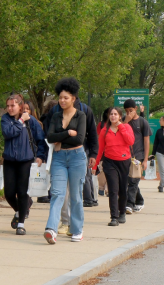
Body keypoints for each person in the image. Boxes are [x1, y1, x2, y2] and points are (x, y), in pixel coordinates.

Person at [43, 79, 99, 234]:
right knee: (57, 194)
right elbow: (50, 137)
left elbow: (82, 138)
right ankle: (51, 229)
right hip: (59, 158)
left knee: (75, 196)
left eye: (66, 97)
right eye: (60, 97)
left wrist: (93, 153)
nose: (62, 100)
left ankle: (76, 230)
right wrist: (67, 133)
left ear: (73, 98)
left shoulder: (83, 113)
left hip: (77, 157)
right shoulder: (55, 114)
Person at [1, 94, 47, 236]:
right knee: (8, 193)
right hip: (9, 161)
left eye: (12, 105)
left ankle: (21, 223)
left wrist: (40, 156)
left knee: (22, 192)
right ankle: (20, 210)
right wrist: (21, 120)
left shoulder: (31, 121)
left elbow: (41, 140)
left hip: (25, 161)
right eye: (8, 106)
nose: (9, 108)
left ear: (20, 106)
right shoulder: (5, 119)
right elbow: (8, 133)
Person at [93, 107, 135, 226]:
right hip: (109, 162)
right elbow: (100, 149)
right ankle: (114, 217)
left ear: (120, 116)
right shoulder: (104, 130)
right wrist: (95, 165)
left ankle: (122, 213)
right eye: (111, 114)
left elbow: (130, 141)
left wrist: (121, 126)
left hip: (124, 161)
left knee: (122, 189)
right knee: (113, 190)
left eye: (115, 114)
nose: (113, 116)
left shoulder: (126, 127)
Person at [123, 99, 151, 214]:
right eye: (127, 111)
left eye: (131, 110)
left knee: (134, 180)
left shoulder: (142, 122)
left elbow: (146, 141)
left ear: (136, 109)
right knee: (129, 180)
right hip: (125, 155)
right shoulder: (125, 121)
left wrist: (145, 160)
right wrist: (126, 121)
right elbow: (119, 133)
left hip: (138, 156)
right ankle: (139, 200)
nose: (129, 113)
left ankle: (129, 204)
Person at [36, 100, 58, 204]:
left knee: (45, 172)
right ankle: (48, 193)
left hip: (45, 146)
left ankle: (42, 194)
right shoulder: (54, 119)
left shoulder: (43, 119)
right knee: (52, 172)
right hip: (51, 146)